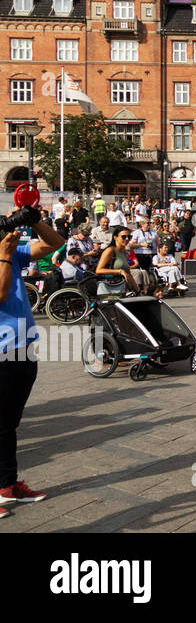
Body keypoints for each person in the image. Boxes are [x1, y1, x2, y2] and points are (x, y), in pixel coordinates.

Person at [0, 214, 67, 508]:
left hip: (23, 349)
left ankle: (7, 485)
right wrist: (4, 256)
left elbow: (55, 244)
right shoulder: (6, 254)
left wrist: (34, 220)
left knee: (8, 424)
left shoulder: (12, 252)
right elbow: (0, 295)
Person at [95, 227, 140, 297]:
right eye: (123, 237)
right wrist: (119, 271)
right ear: (115, 237)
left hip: (121, 289)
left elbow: (129, 274)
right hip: (108, 289)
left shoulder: (124, 252)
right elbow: (98, 270)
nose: (127, 239)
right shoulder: (110, 250)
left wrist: (138, 291)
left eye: (129, 237)